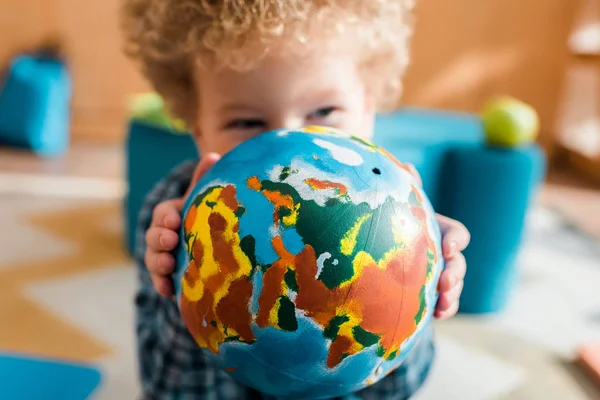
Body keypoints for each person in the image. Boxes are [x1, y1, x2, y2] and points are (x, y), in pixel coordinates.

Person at [121, 1, 470, 399]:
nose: (288, 145)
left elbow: (400, 388)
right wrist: (183, 283)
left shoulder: (387, 208)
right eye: (248, 123)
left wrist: (415, 279)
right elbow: (168, 388)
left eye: (323, 111)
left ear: (368, 107)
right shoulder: (168, 212)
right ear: (197, 127)